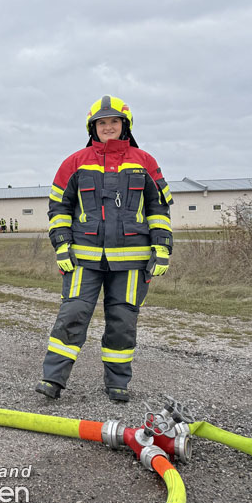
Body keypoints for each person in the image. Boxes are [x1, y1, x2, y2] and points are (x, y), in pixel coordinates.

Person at [35, 96, 173, 402]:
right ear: (92, 128)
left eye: (114, 122)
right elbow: (58, 209)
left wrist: (162, 247)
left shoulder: (145, 162)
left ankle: (117, 383)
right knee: (72, 314)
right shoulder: (74, 163)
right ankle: (53, 380)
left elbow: (158, 209)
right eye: (102, 123)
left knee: (122, 322)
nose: (108, 127)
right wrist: (61, 246)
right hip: (83, 259)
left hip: (133, 263)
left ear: (125, 126)